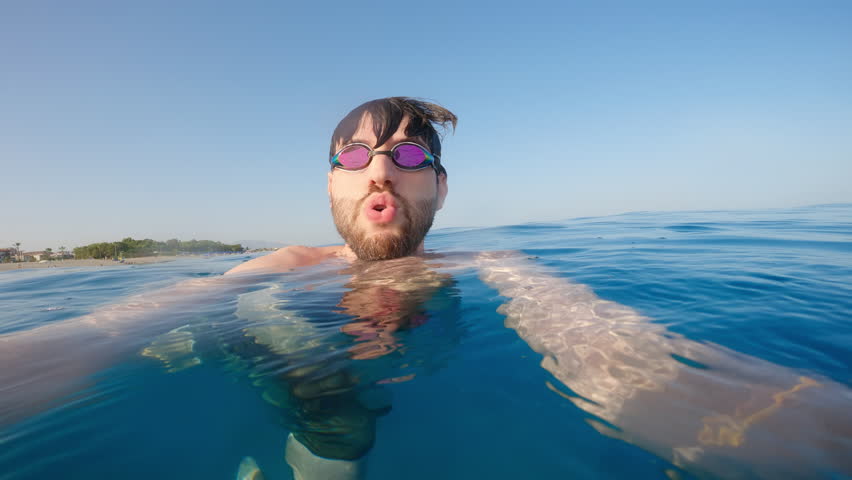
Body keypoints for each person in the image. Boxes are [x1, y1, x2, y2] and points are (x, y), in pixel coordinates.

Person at [2, 97, 850, 480]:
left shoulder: (492, 270)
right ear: (330, 185)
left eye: (409, 156)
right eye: (355, 156)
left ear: (440, 188)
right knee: (312, 390)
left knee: (339, 421)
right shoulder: (283, 267)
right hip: (280, 346)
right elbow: (113, 328)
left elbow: (604, 350)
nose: (380, 170)